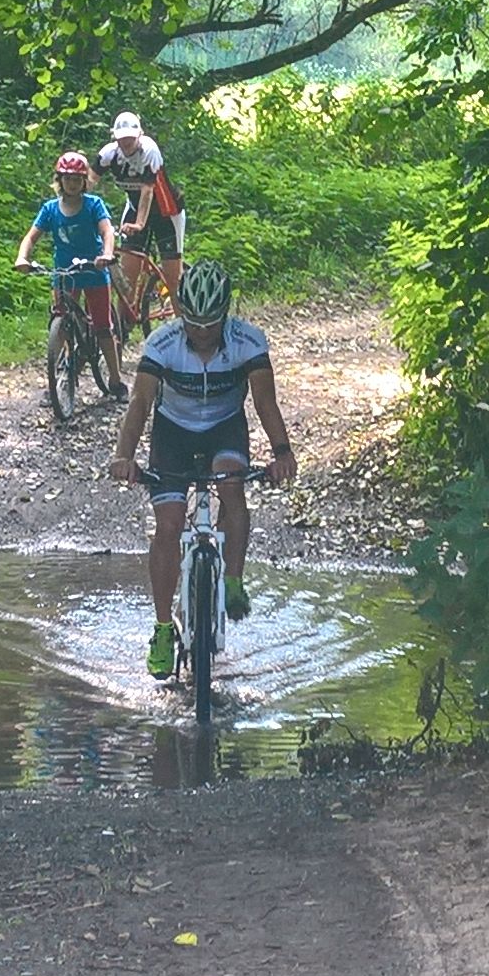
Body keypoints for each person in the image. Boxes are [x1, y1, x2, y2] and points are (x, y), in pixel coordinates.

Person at [108, 259, 298, 679]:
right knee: (169, 526)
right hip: (173, 433)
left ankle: (232, 580)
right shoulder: (162, 344)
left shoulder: (249, 342)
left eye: (210, 323)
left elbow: (265, 401)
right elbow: (140, 404)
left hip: (224, 429)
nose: (201, 331)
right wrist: (123, 456)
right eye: (193, 322)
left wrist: (282, 451)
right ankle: (161, 628)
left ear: (225, 315)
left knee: (232, 486)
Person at [14, 151, 128, 402]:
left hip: (92, 269)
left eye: (77, 179)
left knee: (102, 327)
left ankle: (116, 379)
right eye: (67, 179)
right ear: (59, 180)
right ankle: (60, 377)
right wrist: (22, 258)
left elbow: (107, 231)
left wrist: (106, 255)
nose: (72, 184)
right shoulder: (50, 209)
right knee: (61, 321)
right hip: (64, 272)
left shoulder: (93, 205)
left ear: (84, 181)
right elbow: (31, 236)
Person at [91, 110, 185, 321]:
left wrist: (140, 224)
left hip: (166, 214)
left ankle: (185, 329)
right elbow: (88, 181)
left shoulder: (149, 150)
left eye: (130, 138)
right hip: (134, 209)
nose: (126, 143)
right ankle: (122, 328)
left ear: (139, 135)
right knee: (127, 277)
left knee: (172, 279)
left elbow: (147, 191)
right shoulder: (109, 154)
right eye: (121, 138)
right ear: (115, 137)